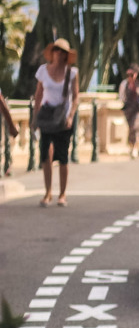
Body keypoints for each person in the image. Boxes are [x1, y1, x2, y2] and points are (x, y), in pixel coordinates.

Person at [32, 38, 80, 206]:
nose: (59, 54)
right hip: (46, 117)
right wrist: (34, 118)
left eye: (62, 51)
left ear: (67, 55)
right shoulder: (43, 71)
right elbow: (38, 95)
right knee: (46, 155)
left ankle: (62, 193)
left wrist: (70, 116)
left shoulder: (72, 73)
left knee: (63, 156)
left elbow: (75, 97)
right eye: (56, 50)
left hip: (63, 119)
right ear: (52, 52)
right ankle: (48, 192)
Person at [118, 65, 139, 159]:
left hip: (138, 110)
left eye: (131, 74)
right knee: (131, 128)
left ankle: (135, 147)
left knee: (136, 127)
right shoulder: (124, 84)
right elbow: (121, 96)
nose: (129, 77)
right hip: (129, 109)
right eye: (128, 75)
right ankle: (132, 145)